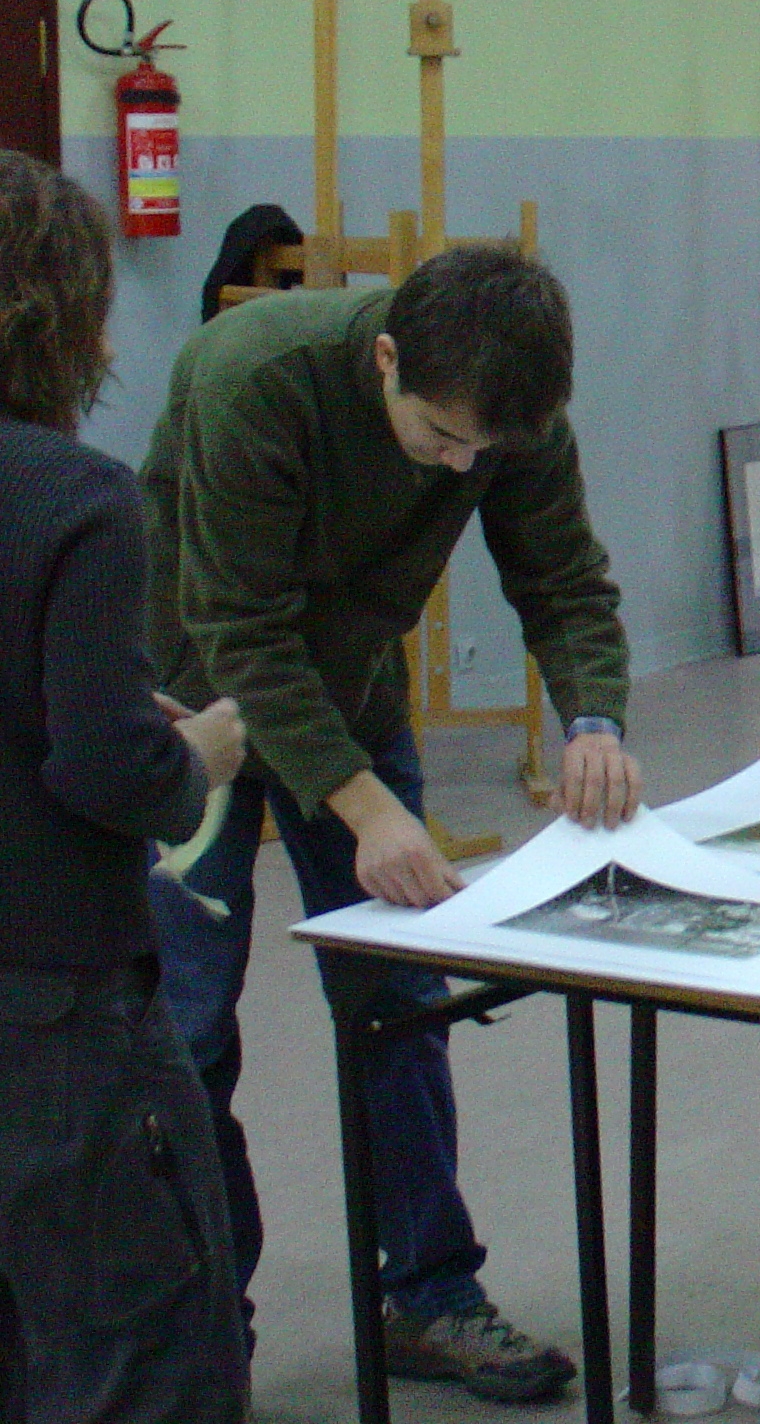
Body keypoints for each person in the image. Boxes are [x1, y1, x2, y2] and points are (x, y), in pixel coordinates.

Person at [142, 246, 644, 1403]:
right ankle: (202, 1327)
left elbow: (564, 578)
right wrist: (366, 807)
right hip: (196, 712)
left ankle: (429, 1295)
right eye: (442, 438)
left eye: (484, 451)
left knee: (401, 1003)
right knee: (187, 1024)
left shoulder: (505, 407)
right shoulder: (253, 379)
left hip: (353, 690)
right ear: (384, 360)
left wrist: (595, 722)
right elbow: (238, 628)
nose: (464, 466)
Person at [0, 150, 252, 1422]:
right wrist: (193, 760)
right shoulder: (77, 497)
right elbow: (102, 766)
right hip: (52, 990)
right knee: (134, 1343)